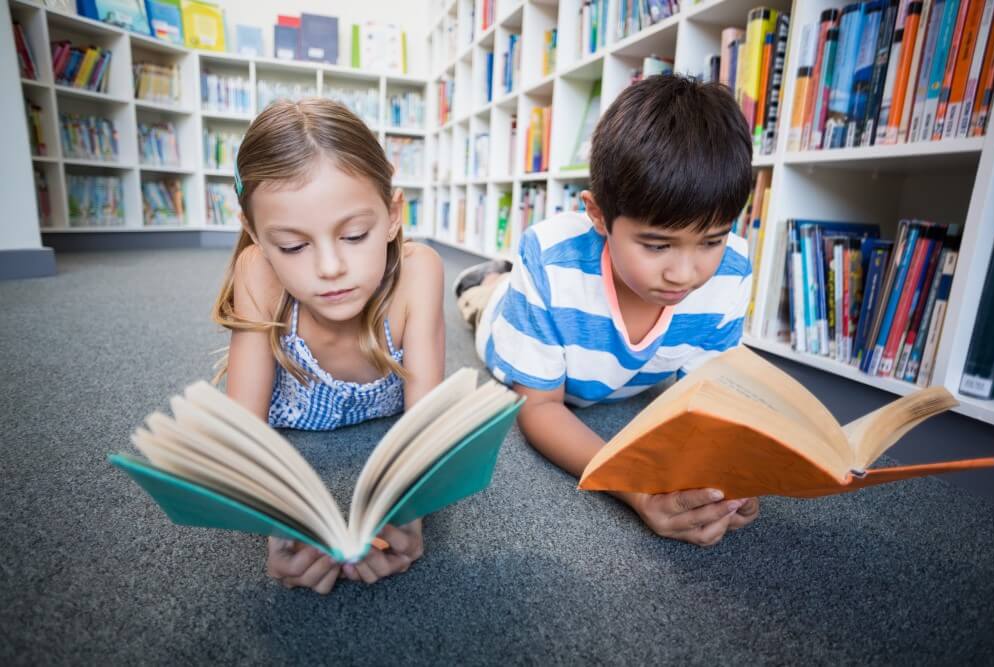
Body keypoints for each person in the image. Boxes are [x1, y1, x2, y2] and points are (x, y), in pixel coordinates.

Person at [454, 75, 760, 547]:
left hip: (593, 354)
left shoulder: (731, 269)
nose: (684, 273)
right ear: (598, 215)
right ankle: (490, 281)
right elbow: (538, 406)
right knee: (484, 300)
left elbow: (710, 398)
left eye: (711, 240)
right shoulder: (551, 256)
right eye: (657, 245)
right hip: (501, 323)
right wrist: (636, 492)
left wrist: (726, 482)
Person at [212, 99, 444, 592]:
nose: (330, 267)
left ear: (393, 216)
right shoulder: (257, 272)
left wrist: (412, 514)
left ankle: (483, 292)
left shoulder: (418, 270)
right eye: (294, 247)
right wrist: (274, 526)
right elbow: (242, 429)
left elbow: (428, 425)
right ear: (255, 235)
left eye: (356, 235)